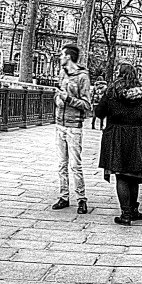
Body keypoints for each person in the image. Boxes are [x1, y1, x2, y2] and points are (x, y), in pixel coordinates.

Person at [94, 63, 142, 225]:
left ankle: (126, 214)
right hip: (137, 137)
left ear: (120, 74)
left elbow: (99, 112)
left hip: (116, 137)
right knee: (133, 176)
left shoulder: (112, 92)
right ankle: (133, 211)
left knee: (121, 175)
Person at [51, 45, 93, 214]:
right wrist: (58, 99)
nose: (60, 57)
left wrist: (68, 99)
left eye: (62, 55)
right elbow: (59, 94)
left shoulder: (83, 77)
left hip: (74, 126)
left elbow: (87, 105)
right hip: (59, 124)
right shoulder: (62, 73)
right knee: (61, 164)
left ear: (68, 57)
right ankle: (64, 197)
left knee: (75, 165)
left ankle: (81, 199)